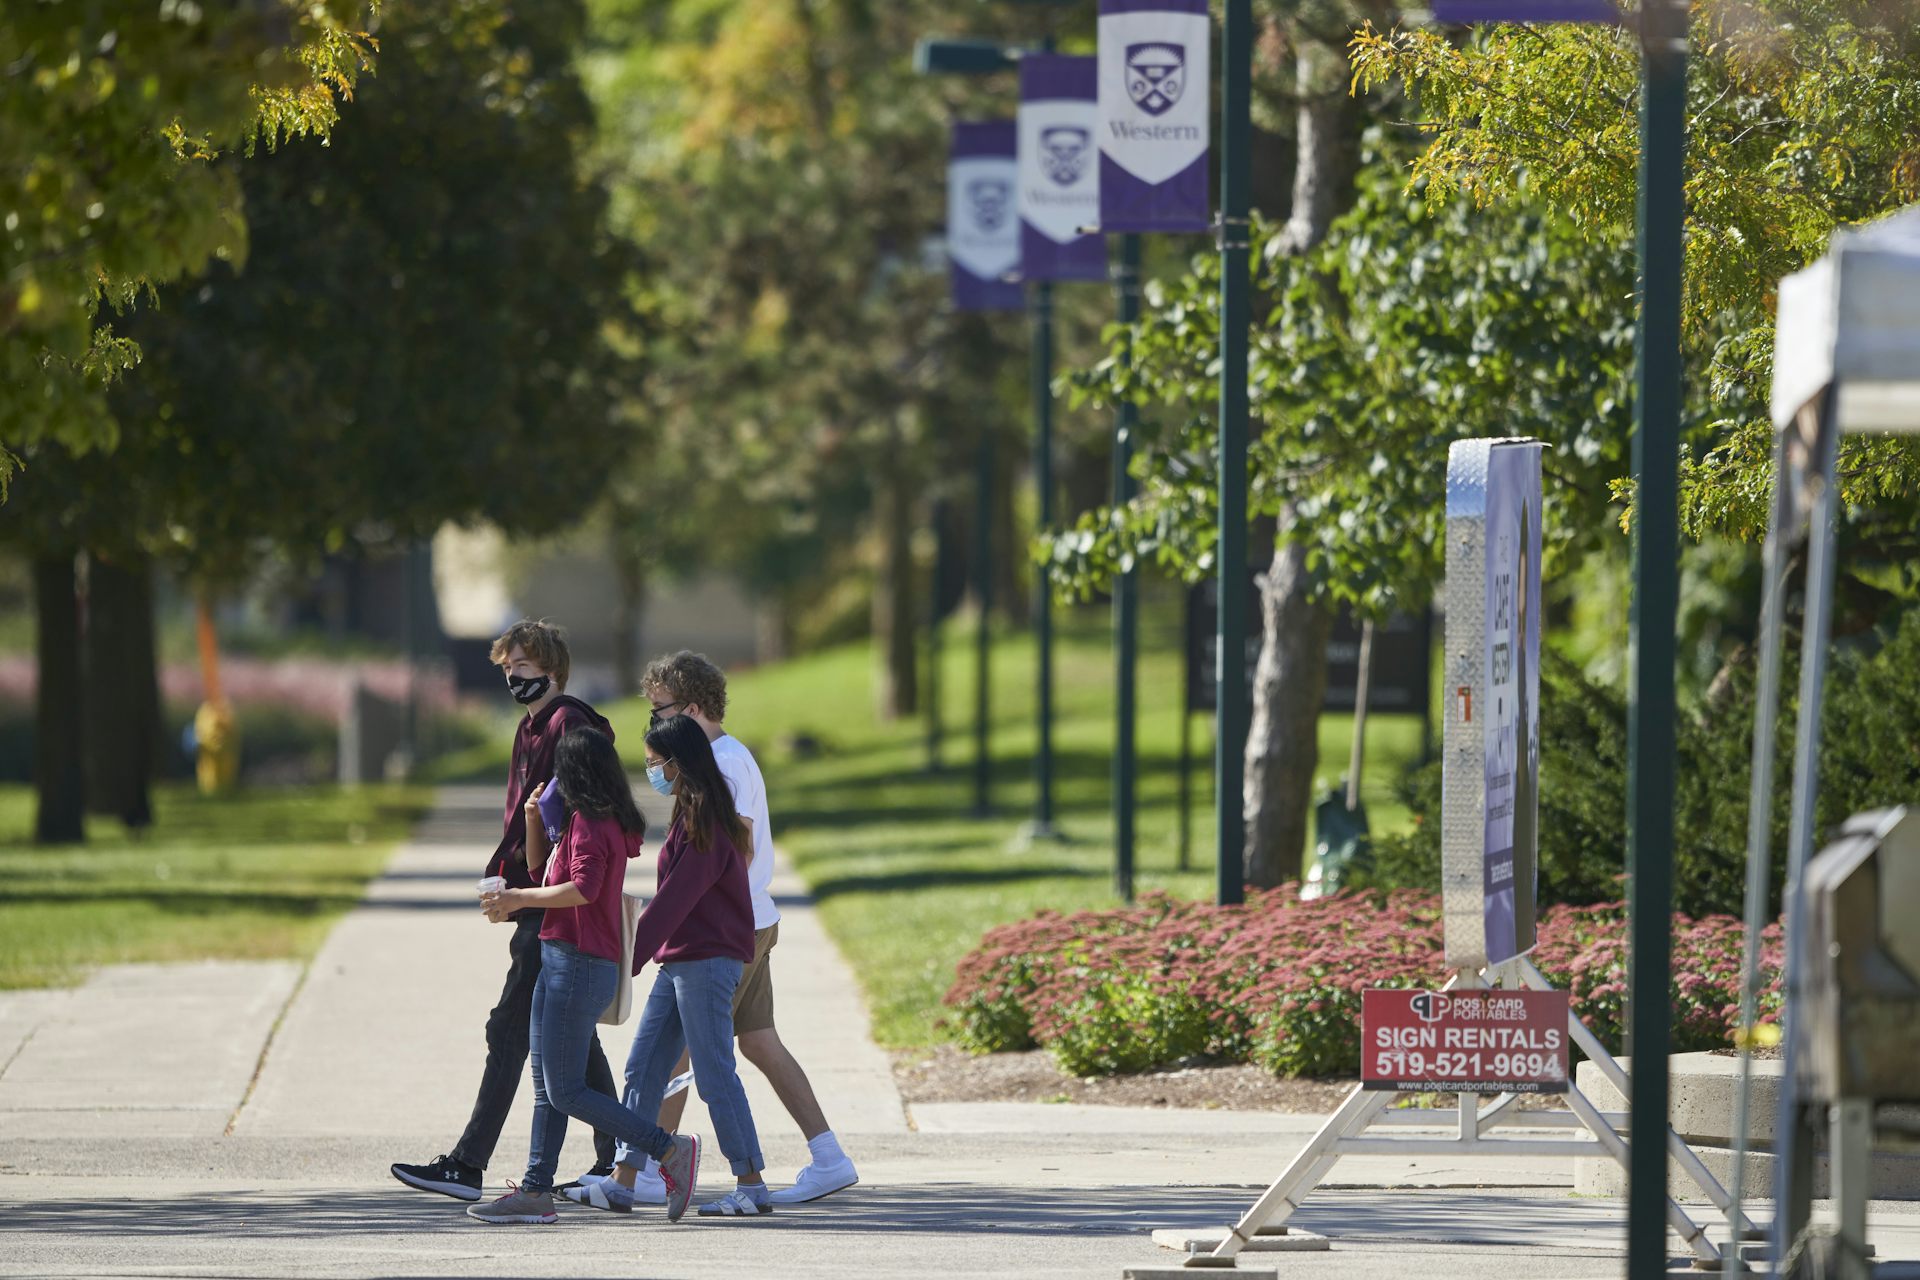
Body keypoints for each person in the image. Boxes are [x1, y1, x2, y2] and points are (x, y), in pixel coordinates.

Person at [568, 650, 857, 1210]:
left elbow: (718, 862)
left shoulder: (719, 772)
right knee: (727, 1048)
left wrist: (627, 952)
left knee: (702, 1065)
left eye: (661, 712)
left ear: (693, 709)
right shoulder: (715, 770)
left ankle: (707, 1177)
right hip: (725, 930)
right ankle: (824, 1157)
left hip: (723, 935)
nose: (653, 725)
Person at [390, 620, 626, 1202]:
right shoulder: (531, 726)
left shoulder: (569, 722)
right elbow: (529, 812)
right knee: (571, 1036)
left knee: (509, 1029)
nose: (511, 676)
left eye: (520, 666)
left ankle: (468, 1164)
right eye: (506, 668)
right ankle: (619, 1158)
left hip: (549, 902)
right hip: (531, 896)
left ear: (550, 668)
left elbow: (572, 814)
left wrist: (524, 891)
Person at [466, 727, 703, 1225]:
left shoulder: (595, 823)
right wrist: (533, 819)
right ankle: (535, 1190)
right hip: (559, 960)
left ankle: (668, 1149)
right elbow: (540, 870)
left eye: (557, 769)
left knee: (566, 1090)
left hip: (578, 963)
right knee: (546, 1086)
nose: (550, 779)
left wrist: (516, 900)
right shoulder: (579, 820)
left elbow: (585, 889)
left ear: (574, 771)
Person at [576, 714, 771, 1218]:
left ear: (679, 764)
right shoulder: (691, 813)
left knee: (713, 1073)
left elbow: (676, 899)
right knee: (643, 1066)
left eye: (655, 763)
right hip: (682, 959)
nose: (651, 772)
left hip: (707, 962)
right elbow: (671, 899)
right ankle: (623, 1179)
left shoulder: (708, 819)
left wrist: (625, 960)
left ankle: (750, 1184)